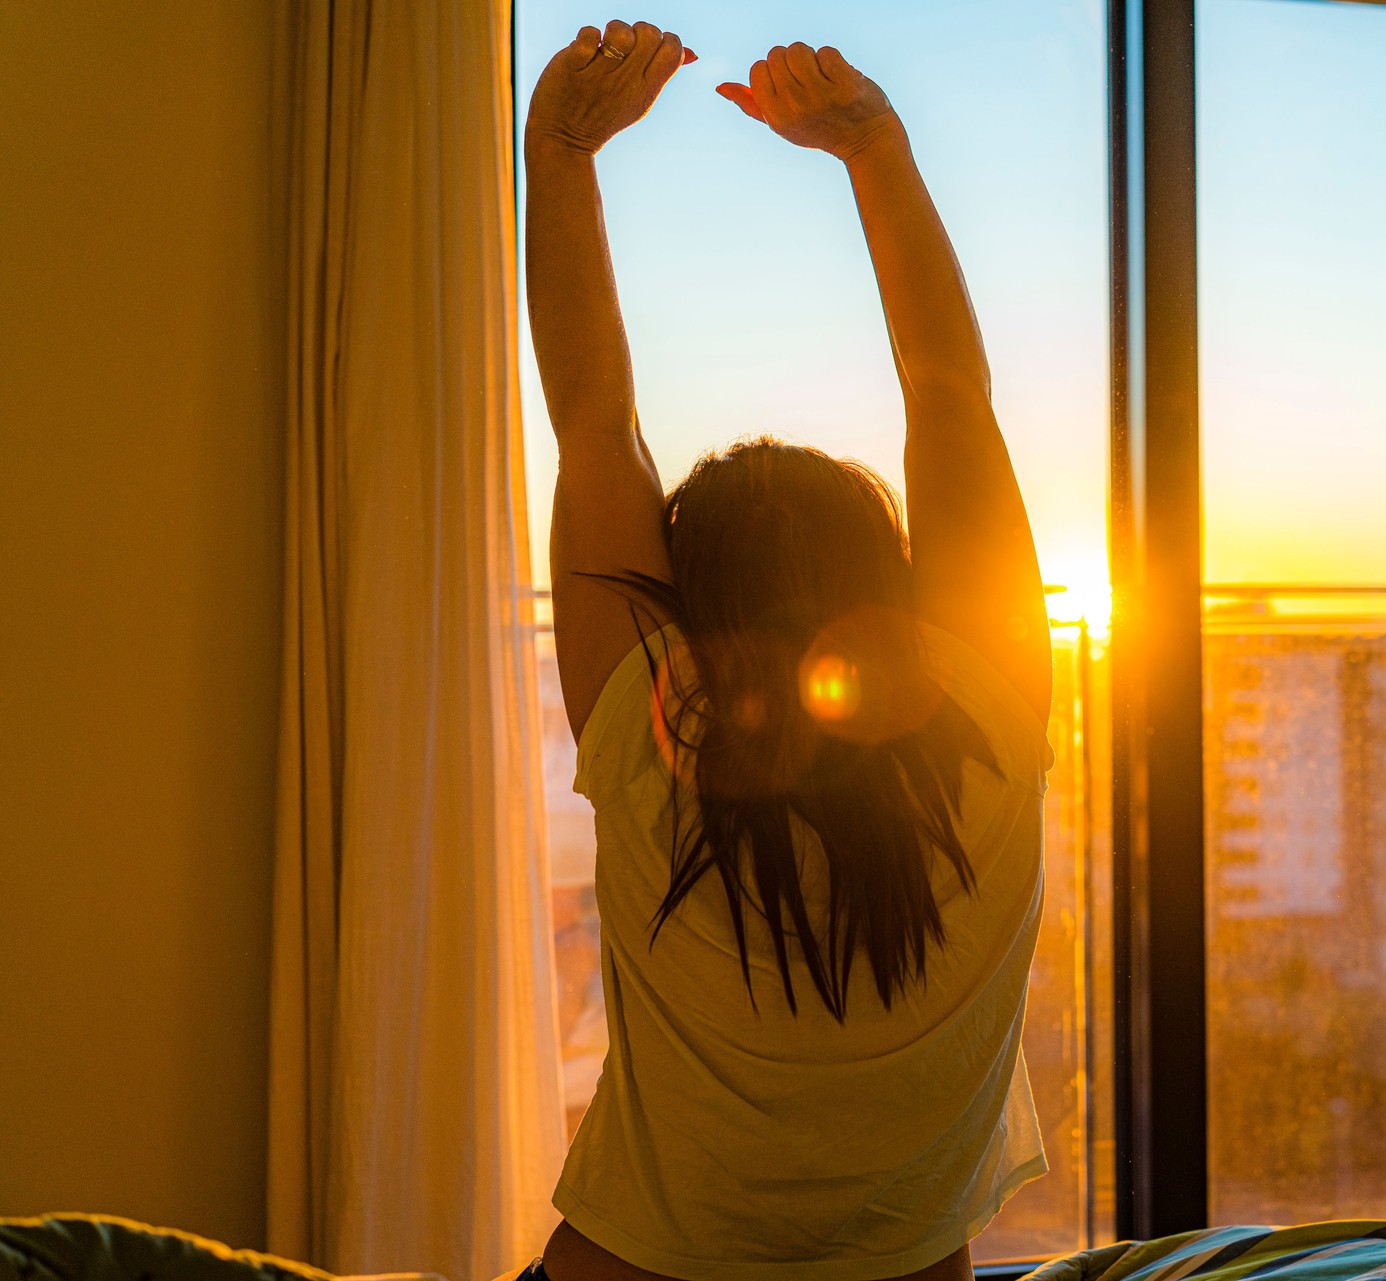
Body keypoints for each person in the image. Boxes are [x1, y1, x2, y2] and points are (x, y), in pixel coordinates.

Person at [520, 19, 1054, 1281]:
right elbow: (949, 392)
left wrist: (558, 153)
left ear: (688, 623)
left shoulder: (649, 738)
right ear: (896, 594)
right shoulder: (992, 715)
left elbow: (596, 425)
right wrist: (875, 151)